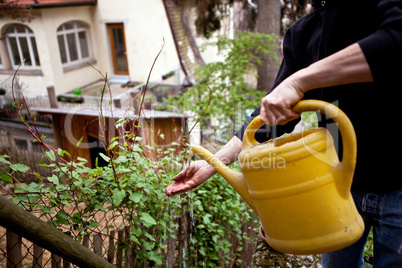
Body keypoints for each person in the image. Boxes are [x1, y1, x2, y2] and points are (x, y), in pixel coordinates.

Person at [166, 0, 402, 267]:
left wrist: (300, 80)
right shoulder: (303, 33)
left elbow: (395, 42)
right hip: (337, 188)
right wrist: (214, 163)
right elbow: (271, 116)